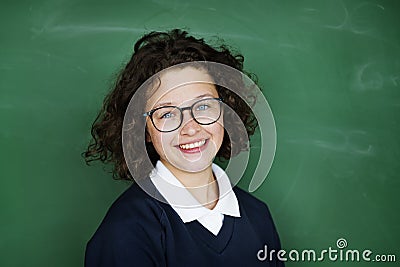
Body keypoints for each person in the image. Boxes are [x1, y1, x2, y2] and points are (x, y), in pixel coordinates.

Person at [83, 29, 284, 267]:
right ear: (143, 129)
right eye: (167, 113)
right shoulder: (126, 232)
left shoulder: (258, 216)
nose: (190, 128)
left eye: (203, 106)